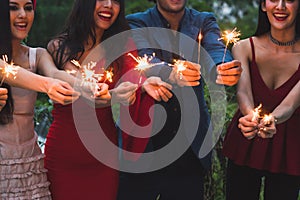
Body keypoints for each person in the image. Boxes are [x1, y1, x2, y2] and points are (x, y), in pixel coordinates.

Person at [44, 0, 172, 199]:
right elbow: (83, 90)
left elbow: (133, 76)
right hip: (63, 154)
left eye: (115, 1)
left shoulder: (121, 48)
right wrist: (114, 96)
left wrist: (144, 84)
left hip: (104, 158)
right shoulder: (59, 46)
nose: (108, 5)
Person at [117, 0, 242, 199]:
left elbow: (216, 50)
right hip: (143, 145)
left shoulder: (204, 20)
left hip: (189, 149)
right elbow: (143, 59)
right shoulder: (136, 23)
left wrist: (220, 67)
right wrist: (171, 73)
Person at [0, 0, 81, 199]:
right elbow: (10, 72)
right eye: (13, 8)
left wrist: (86, 84)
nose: (23, 15)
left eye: (28, 8)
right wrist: (47, 85)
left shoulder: (38, 55)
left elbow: (54, 74)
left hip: (31, 163)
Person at [222, 0, 300, 199]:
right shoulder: (243, 47)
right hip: (245, 140)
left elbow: (290, 104)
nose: (281, 6)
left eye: (289, 0)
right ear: (264, 5)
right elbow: (243, 92)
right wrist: (250, 117)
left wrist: (272, 120)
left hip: (289, 148)